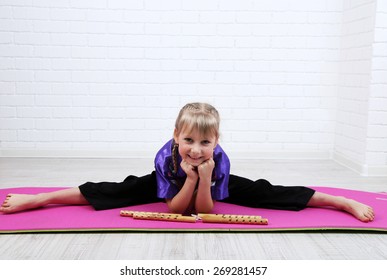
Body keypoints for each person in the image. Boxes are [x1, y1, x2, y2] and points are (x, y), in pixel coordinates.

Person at [0, 102, 375, 222]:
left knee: (266, 192)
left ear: (216, 141)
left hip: (210, 180)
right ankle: (38, 198)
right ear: (176, 137)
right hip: (172, 181)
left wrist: (207, 175)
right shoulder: (166, 157)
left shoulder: (219, 159)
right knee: (116, 190)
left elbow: (207, 209)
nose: (196, 148)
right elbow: (179, 210)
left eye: (205, 142)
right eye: (189, 140)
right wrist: (192, 180)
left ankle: (338, 201)